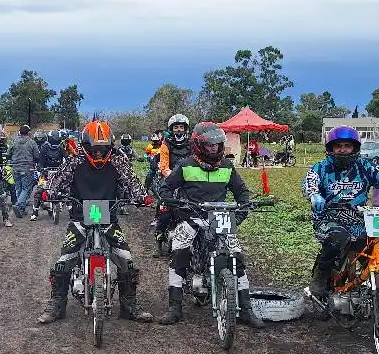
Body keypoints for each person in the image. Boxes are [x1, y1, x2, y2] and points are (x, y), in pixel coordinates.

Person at [37, 120, 154, 324]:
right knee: (63, 262)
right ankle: (57, 304)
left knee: (127, 260)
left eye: (103, 148)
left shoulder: (118, 161)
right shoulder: (74, 162)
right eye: (94, 149)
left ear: (110, 146)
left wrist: (142, 197)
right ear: (85, 146)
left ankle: (129, 305)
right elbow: (56, 182)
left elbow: (133, 183)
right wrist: (47, 192)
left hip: (108, 218)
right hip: (80, 218)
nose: (98, 153)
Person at [302, 125, 379, 306]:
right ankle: (320, 278)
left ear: (355, 148)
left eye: (347, 146)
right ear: (331, 148)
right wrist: (314, 195)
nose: (342, 150)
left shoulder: (365, 167)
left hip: (358, 218)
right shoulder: (321, 168)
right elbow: (310, 182)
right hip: (328, 218)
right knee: (338, 237)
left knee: (372, 245)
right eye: (338, 146)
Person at [156, 123, 265, 327]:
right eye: (209, 145)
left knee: (237, 257)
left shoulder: (227, 166)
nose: (214, 148)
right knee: (179, 253)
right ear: (199, 145)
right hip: (192, 216)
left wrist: (240, 213)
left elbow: (242, 192)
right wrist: (173, 202)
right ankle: (174, 308)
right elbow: (165, 188)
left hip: (220, 217)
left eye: (217, 144)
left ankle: (246, 309)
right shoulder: (185, 165)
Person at [152, 114, 192, 244]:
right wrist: (174, 176)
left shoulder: (191, 144)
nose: (179, 129)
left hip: (189, 177)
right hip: (170, 177)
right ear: (171, 129)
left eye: (181, 127)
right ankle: (160, 231)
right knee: (166, 205)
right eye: (176, 127)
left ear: (185, 128)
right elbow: (164, 165)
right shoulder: (166, 144)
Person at [30, 129, 67, 221]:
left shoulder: (61, 148)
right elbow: (40, 161)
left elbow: (66, 160)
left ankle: (71, 212)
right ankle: (35, 212)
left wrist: (66, 167)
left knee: (66, 190)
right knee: (39, 191)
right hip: (46, 173)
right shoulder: (45, 148)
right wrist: (41, 168)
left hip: (58, 174)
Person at [8, 124, 40, 218]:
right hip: (27, 168)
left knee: (18, 189)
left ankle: (21, 209)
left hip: (15, 168)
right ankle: (19, 205)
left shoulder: (14, 141)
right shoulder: (32, 142)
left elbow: (8, 153)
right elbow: (37, 156)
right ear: (28, 132)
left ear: (19, 132)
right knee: (26, 189)